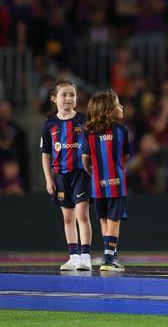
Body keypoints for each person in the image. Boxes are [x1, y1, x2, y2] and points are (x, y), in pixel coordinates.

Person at [40, 79, 92, 271]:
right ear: (54, 99)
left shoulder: (84, 121)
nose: (68, 98)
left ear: (77, 99)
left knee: (82, 214)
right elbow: (45, 153)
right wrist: (48, 179)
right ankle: (73, 256)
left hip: (81, 173)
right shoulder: (49, 125)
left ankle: (85, 255)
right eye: (64, 94)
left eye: (72, 95)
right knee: (68, 217)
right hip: (61, 175)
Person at [82, 90, 131, 272]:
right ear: (109, 110)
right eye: (118, 104)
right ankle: (109, 259)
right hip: (116, 183)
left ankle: (110, 255)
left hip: (97, 185)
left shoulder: (89, 133)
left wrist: (95, 174)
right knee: (114, 221)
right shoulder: (121, 131)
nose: (122, 107)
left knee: (103, 220)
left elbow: (85, 160)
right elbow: (125, 155)